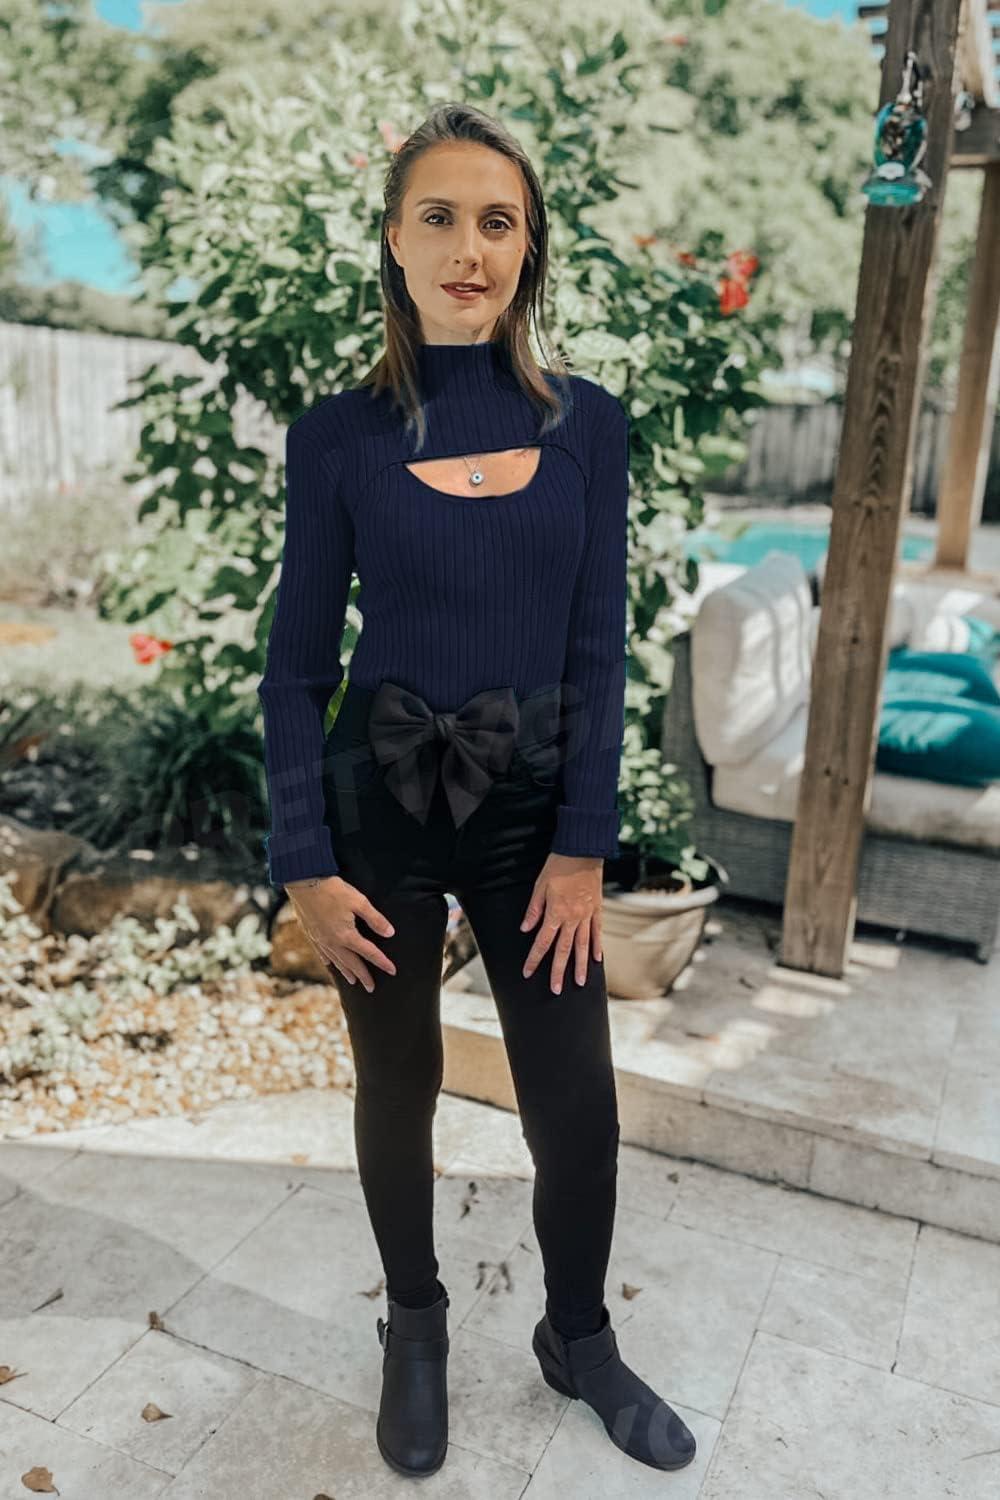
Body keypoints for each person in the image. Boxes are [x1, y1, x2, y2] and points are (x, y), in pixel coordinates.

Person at [256, 101, 697, 1479]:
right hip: (375, 807)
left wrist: (583, 846)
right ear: (394, 241)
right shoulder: (336, 437)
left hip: (533, 820)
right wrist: (304, 860)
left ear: (529, 246)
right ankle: (417, 1324)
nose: (468, 248)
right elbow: (295, 665)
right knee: (397, 1082)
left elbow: (597, 649)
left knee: (577, 1104)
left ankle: (579, 1336)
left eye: (497, 221)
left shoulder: (589, 427)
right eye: (438, 217)